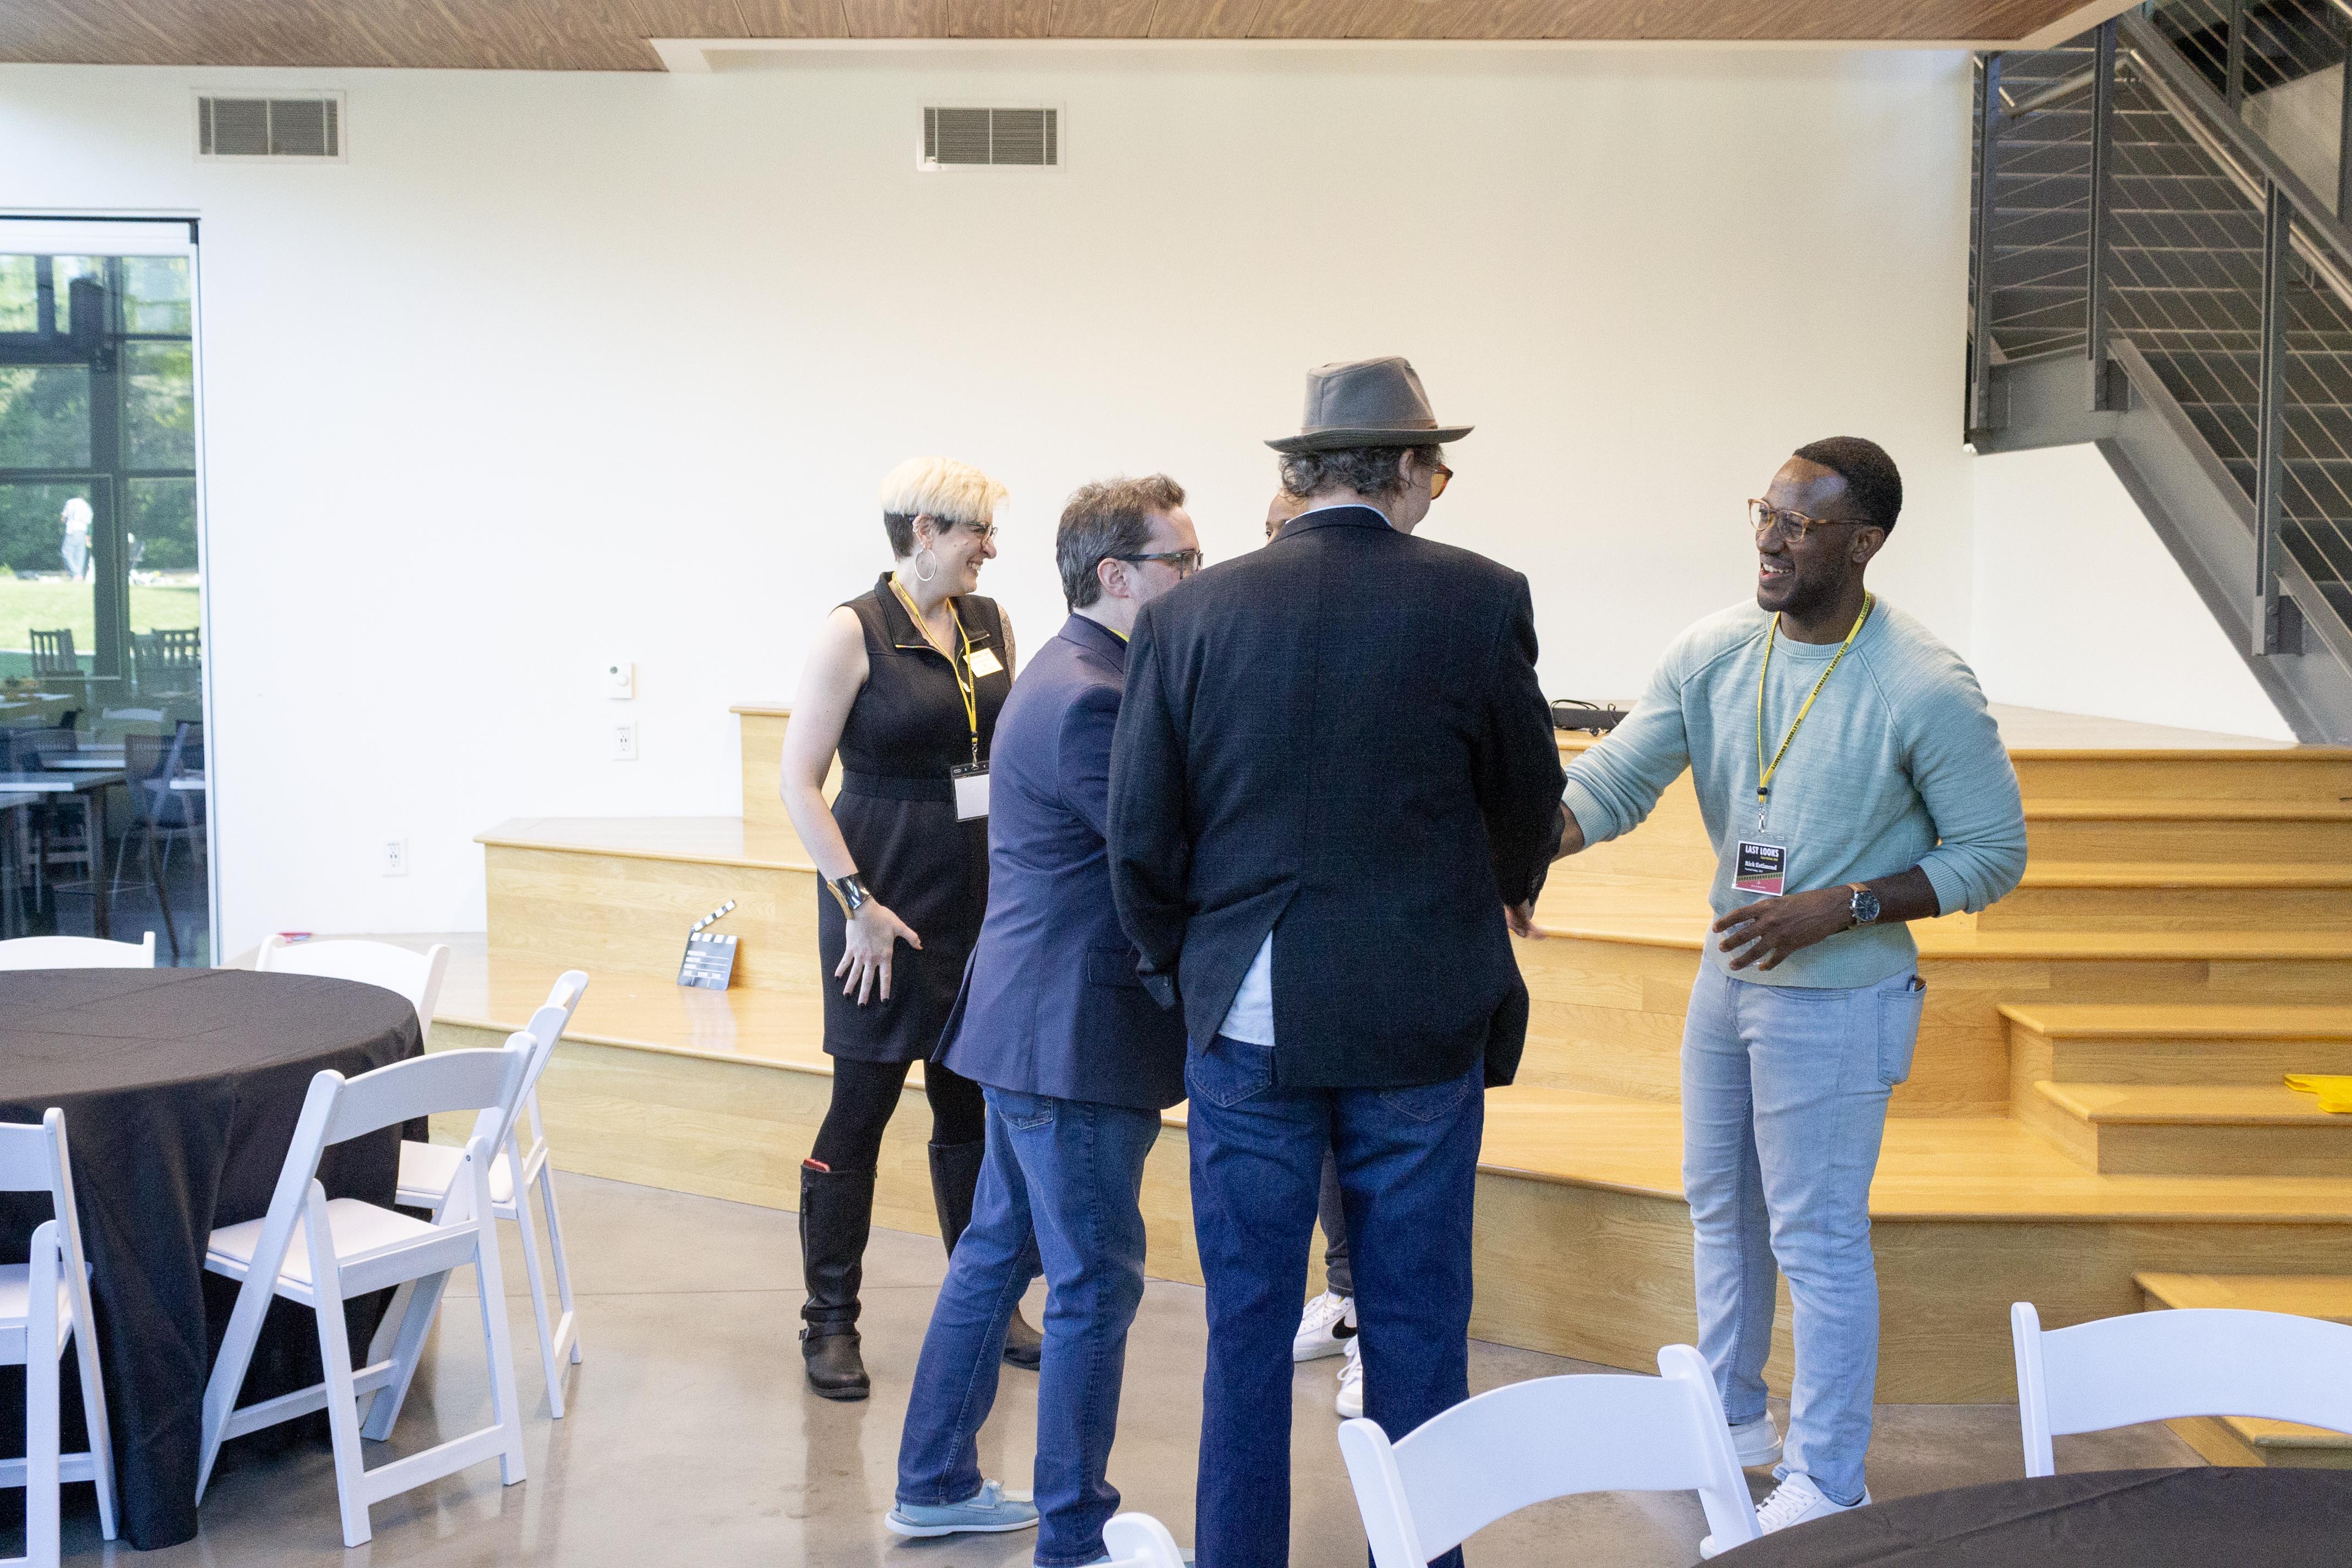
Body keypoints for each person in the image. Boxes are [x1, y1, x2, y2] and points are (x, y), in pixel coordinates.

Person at [1109, 357, 1565, 1568]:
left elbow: (1141, 832)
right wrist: (1500, 883)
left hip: (1247, 1012)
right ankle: (1416, 1554)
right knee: (1417, 1323)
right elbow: (1528, 797)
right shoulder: (1480, 597)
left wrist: (1182, 970)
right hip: (1418, 1008)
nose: (1435, 490)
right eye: (1437, 471)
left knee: (1245, 1326)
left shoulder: (1188, 614)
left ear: (1303, 471)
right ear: (1407, 468)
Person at [1551, 438, 2026, 1553]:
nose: (1769, 539)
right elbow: (1612, 782)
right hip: (1730, 977)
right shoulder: (1715, 650)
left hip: (1841, 996)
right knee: (1721, 1206)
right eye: (1764, 512)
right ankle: (1727, 1421)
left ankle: (1826, 1476)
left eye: (1801, 524)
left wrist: (1844, 904)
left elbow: (1993, 853)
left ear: (1863, 543)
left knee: (1816, 1236)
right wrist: (1516, 852)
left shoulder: (1921, 682)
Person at [886, 476, 1201, 1563]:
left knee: (998, 1252)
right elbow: (1160, 862)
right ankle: (1075, 1534)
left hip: (1037, 1027)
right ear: (1117, 575)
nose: (1196, 578)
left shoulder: (1078, 671)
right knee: (1093, 1282)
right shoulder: (1088, 695)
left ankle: (935, 1481)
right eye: (1180, 561)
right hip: (1070, 1038)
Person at [780, 455, 1043, 1400]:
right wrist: (858, 905)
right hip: (881, 908)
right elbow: (798, 782)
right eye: (977, 530)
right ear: (923, 531)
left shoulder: (990, 621)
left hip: (980, 901)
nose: (991, 549)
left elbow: (1007, 754)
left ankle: (988, 1302)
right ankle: (829, 1321)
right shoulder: (853, 630)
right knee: (862, 1108)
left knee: (971, 1109)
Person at [60, 497, 91, 581]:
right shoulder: (86, 505)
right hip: (83, 531)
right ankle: (79, 575)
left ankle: (76, 573)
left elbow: (63, 518)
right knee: (80, 554)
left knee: (66, 553)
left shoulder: (70, 503)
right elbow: (89, 521)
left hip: (72, 530)